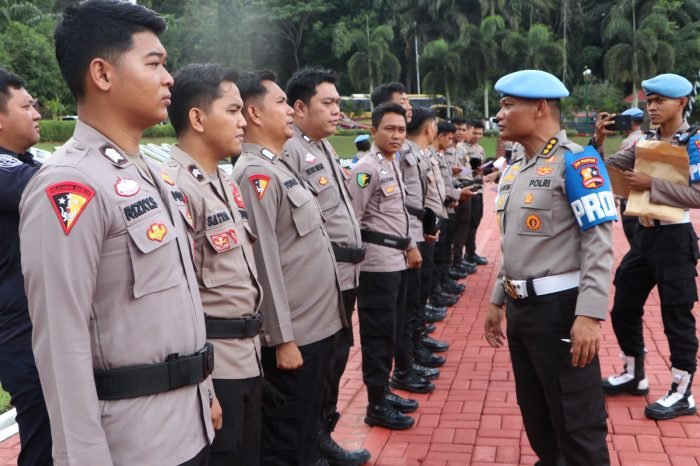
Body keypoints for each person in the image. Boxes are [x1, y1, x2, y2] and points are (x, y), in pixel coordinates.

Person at [19, 1, 214, 464]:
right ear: (102, 74)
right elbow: (60, 343)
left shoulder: (147, 172)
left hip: (188, 426)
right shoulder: (69, 185)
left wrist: (204, 394)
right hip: (135, 445)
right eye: (155, 64)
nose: (169, 78)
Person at [484, 69, 614, 466]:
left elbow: (599, 241)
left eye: (508, 106)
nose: (499, 115)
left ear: (540, 107)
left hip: (561, 311)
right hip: (522, 311)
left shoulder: (577, 163)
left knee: (578, 423)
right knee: (538, 415)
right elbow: (515, 243)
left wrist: (590, 314)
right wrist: (496, 301)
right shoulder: (515, 169)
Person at [232, 70, 345, 465]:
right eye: (280, 102)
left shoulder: (279, 167)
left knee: (301, 436)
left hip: (316, 328)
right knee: (283, 442)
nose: (289, 110)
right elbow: (262, 262)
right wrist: (281, 338)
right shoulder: (256, 174)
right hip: (295, 335)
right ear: (254, 113)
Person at [164, 63, 264, 466]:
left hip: (248, 357)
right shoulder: (175, 188)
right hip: (215, 367)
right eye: (234, 111)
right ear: (198, 117)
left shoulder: (221, 181)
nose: (243, 122)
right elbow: (177, 304)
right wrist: (203, 386)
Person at [596, 74, 700, 420]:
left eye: (659, 101)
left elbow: (698, 195)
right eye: (649, 101)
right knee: (623, 305)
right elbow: (608, 169)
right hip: (645, 236)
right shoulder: (646, 140)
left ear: (681, 102)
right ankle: (633, 373)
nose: (651, 107)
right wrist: (598, 144)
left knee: (677, 317)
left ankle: (682, 392)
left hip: (674, 238)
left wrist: (651, 184)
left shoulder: (694, 141)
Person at [283, 67, 370, 466]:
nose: (337, 111)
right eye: (328, 103)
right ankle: (313, 441)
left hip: (345, 274)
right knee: (320, 364)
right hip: (321, 277)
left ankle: (322, 434)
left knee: (335, 359)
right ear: (299, 107)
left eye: (338, 103)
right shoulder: (291, 151)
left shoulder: (323, 147)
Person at [347, 103, 421, 430]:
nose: (396, 135)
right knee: (377, 336)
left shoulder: (390, 165)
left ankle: (385, 390)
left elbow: (396, 216)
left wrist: (411, 245)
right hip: (377, 267)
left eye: (402, 130)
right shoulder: (367, 169)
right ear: (374, 131)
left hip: (397, 262)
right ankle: (376, 403)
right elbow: (353, 220)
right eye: (389, 129)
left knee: (390, 332)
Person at [370, 82, 436, 395]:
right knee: (384, 327)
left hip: (405, 242)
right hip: (385, 254)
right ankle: (394, 379)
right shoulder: (369, 167)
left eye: (408, 104)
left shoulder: (395, 156)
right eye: (402, 102)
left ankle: (408, 359)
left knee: (407, 309)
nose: (409, 107)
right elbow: (359, 217)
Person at [0, 69, 52, 466]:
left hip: (37, 321)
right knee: (43, 437)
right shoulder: (7, 173)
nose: (36, 113)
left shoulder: (23, 163)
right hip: (20, 330)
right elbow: (53, 189)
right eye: (26, 106)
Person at [616, 107, 645, 245]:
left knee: (635, 243)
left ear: (630, 122)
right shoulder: (648, 137)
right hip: (644, 196)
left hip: (629, 197)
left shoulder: (628, 142)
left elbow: (620, 170)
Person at [463, 120, 488, 266]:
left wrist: (483, 170)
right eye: (475, 133)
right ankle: (468, 254)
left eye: (480, 133)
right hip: (468, 189)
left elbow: (481, 169)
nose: (477, 136)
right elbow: (459, 170)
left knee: (476, 221)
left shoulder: (480, 149)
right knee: (468, 223)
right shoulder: (462, 148)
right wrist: (471, 171)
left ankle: (471, 252)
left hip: (479, 189)